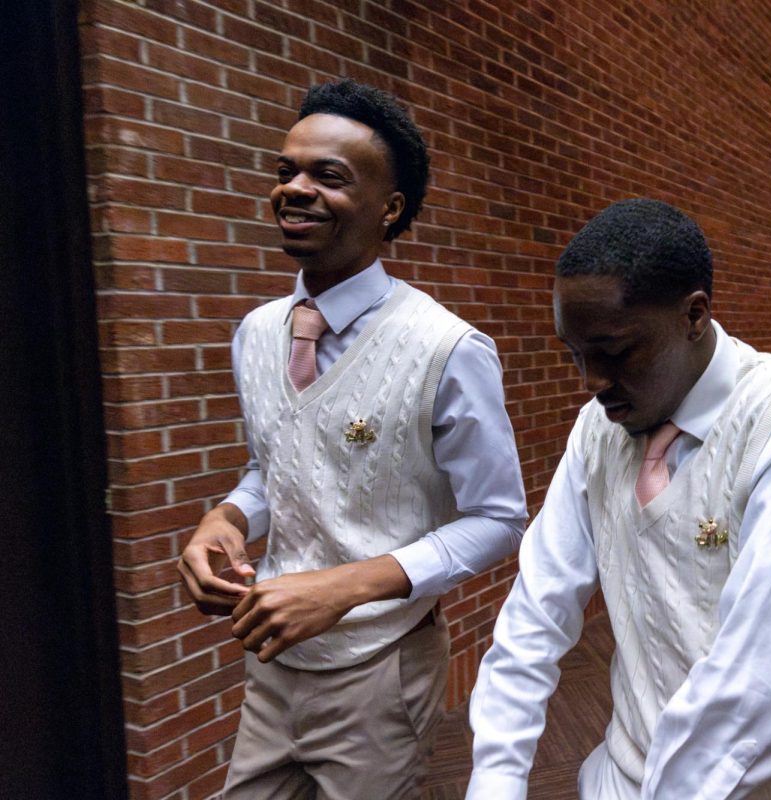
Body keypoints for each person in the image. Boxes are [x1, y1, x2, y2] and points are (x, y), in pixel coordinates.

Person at [176, 79, 527, 799]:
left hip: (381, 669)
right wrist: (226, 519)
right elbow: (273, 467)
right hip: (273, 662)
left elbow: (497, 520)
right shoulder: (255, 334)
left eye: (327, 177)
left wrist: (344, 588)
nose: (295, 190)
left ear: (390, 209)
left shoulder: (447, 348)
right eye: (285, 172)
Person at [466, 198, 771, 799]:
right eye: (575, 355)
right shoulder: (598, 428)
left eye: (614, 353)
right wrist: (495, 784)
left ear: (694, 315)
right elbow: (535, 615)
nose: (591, 382)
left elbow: (765, 681)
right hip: (630, 776)